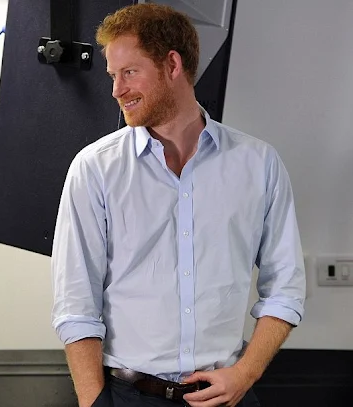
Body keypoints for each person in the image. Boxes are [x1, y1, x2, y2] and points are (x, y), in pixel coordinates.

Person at [51, 4, 306, 407]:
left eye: (129, 72)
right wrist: (92, 402)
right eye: (113, 76)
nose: (117, 90)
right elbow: (76, 304)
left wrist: (245, 374)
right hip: (127, 395)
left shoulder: (258, 164)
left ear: (172, 64)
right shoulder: (94, 168)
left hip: (229, 395)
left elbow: (285, 291)